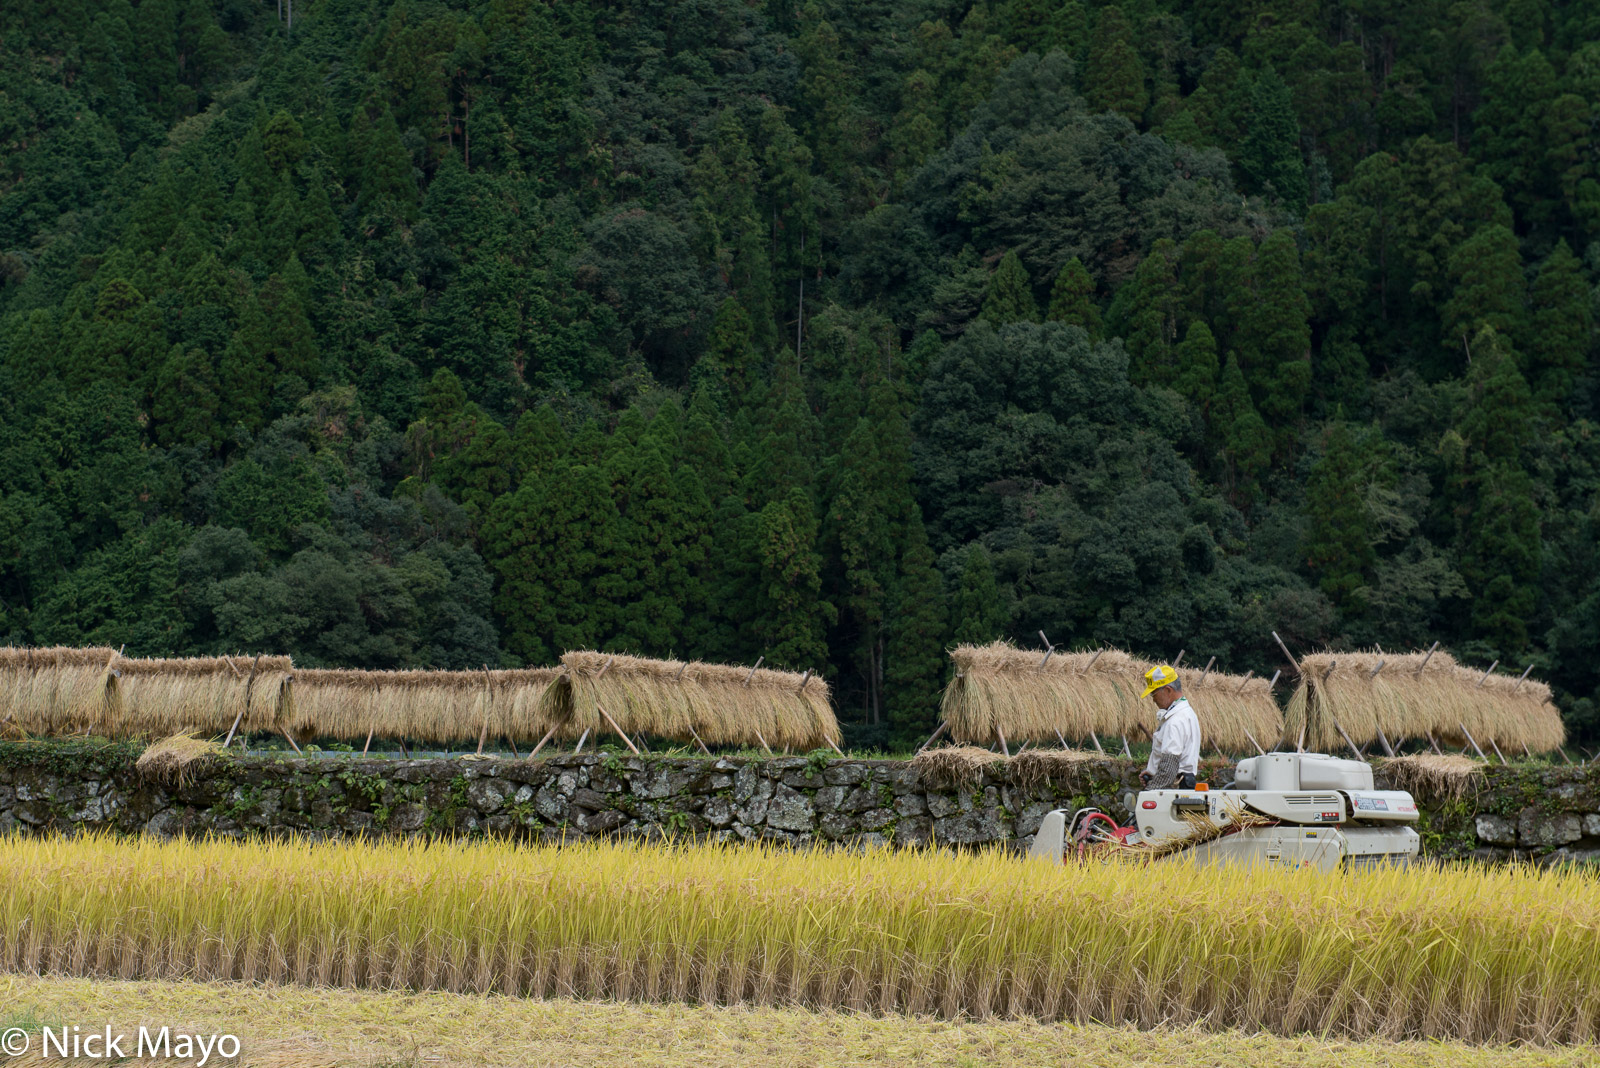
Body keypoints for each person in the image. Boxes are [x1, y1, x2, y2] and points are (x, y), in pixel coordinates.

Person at [1138, 664, 1200, 790]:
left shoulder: (1175, 721)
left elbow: (1169, 767)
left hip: (1172, 788)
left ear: (1168, 690)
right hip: (1183, 784)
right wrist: (1152, 771)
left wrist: (1150, 790)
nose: (1153, 699)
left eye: (1154, 693)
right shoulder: (1187, 714)